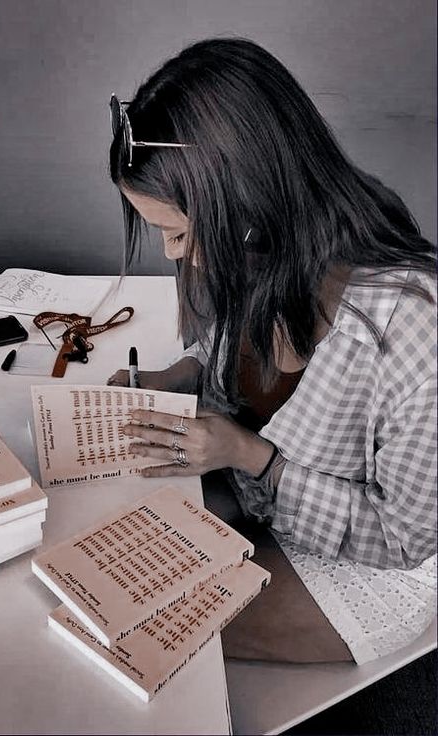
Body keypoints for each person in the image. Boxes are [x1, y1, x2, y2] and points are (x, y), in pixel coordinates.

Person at [106, 38, 437, 663]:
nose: (172, 254)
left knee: (141, 627)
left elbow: (406, 538)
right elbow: (227, 341)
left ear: (248, 202)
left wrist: (253, 456)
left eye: (176, 232)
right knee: (98, 565)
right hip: (255, 494)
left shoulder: (414, 334)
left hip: (373, 566)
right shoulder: (264, 246)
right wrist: (180, 373)